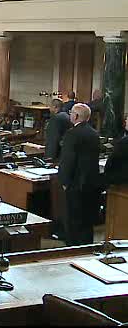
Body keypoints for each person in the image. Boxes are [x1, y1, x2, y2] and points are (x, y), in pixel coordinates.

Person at [58, 103, 103, 246]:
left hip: (75, 184)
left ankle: (72, 249)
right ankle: (86, 249)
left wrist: (64, 182)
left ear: (76, 116)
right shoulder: (95, 134)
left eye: (71, 113)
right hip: (91, 183)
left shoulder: (72, 134)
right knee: (87, 221)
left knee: (73, 220)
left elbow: (67, 161)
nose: (70, 115)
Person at [104, 115, 128, 186]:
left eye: (127, 119)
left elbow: (111, 162)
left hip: (121, 182)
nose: (125, 121)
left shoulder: (124, 142)